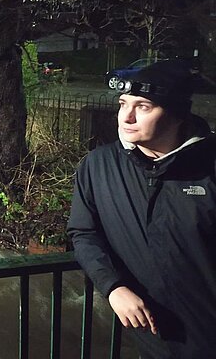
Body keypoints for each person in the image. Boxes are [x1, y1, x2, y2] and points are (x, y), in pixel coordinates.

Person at [67, 60, 216, 358]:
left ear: (177, 115)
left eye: (144, 106)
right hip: (153, 341)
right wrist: (113, 287)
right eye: (123, 104)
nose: (127, 117)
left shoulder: (209, 166)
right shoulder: (99, 165)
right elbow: (83, 233)